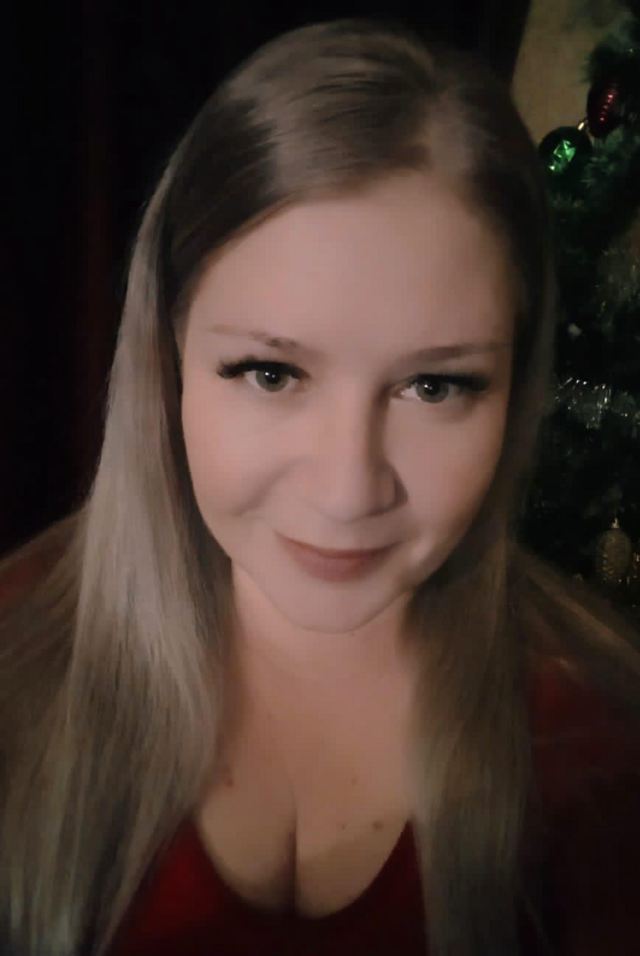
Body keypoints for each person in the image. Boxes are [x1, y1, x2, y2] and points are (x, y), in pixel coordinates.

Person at [1, 16, 640, 956]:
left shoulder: (599, 752)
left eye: (436, 386)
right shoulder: (12, 672)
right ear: (167, 360)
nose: (347, 493)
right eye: (271, 373)